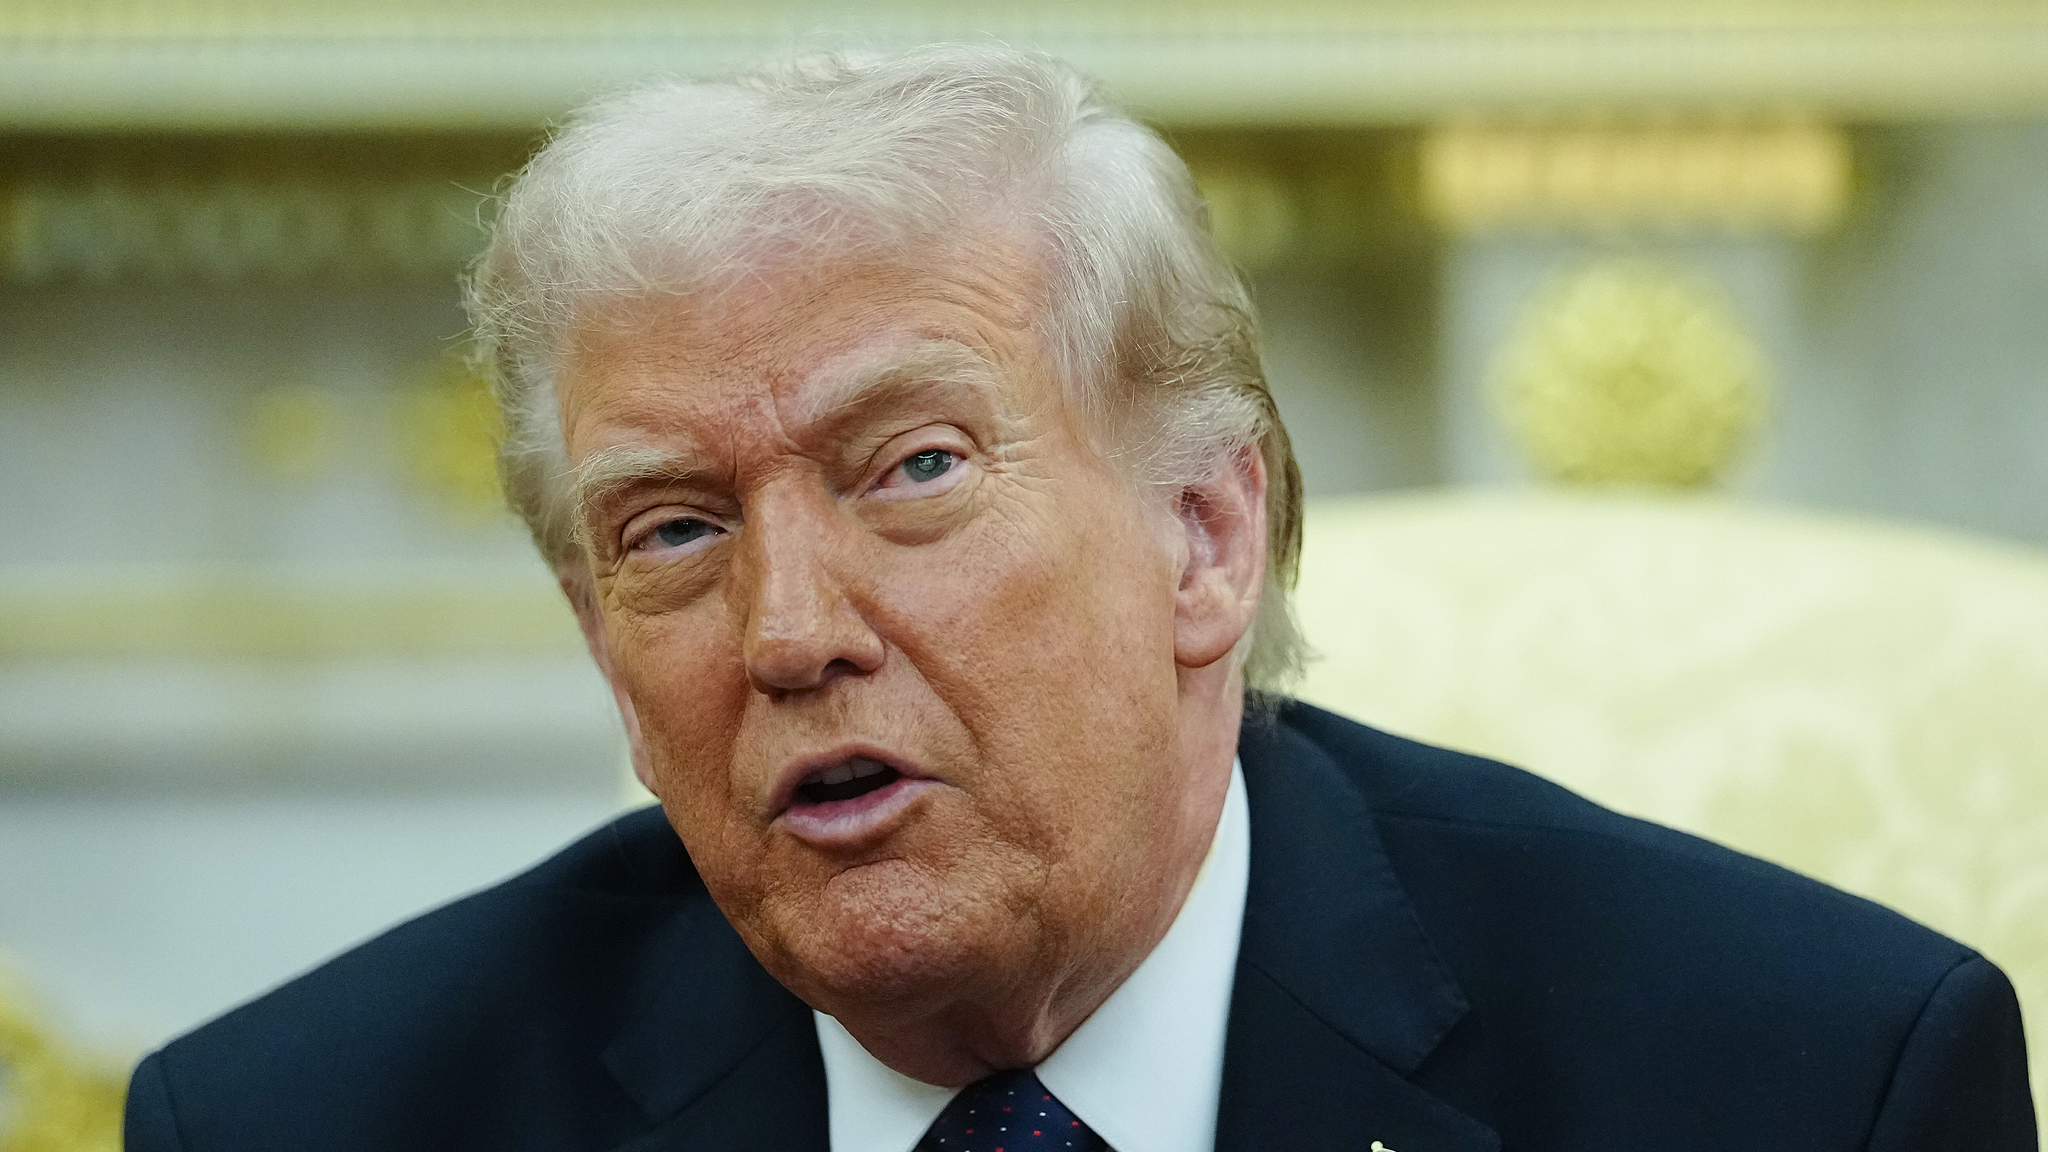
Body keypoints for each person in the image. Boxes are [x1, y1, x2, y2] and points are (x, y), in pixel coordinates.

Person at [124, 44, 2034, 1151]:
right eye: (675, 532)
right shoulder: (308, 1127)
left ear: (1204, 534)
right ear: (603, 650)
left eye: (914, 470)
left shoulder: (1801, 1086)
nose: (789, 632)